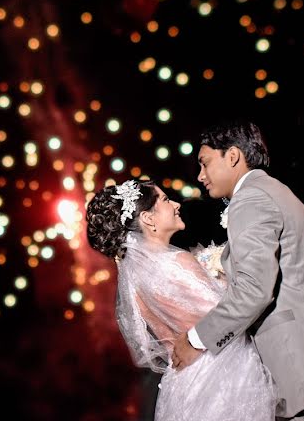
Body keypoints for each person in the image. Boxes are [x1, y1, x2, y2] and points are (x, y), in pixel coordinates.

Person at [171, 120, 304, 420]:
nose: (200, 176)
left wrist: (197, 340)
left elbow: (255, 290)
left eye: (204, 163)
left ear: (232, 156)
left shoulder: (251, 198)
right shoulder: (276, 191)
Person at [86, 178, 276, 421]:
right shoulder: (177, 263)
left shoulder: (134, 281)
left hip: (182, 382)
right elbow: (228, 314)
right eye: (165, 200)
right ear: (148, 219)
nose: (176, 204)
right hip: (224, 377)